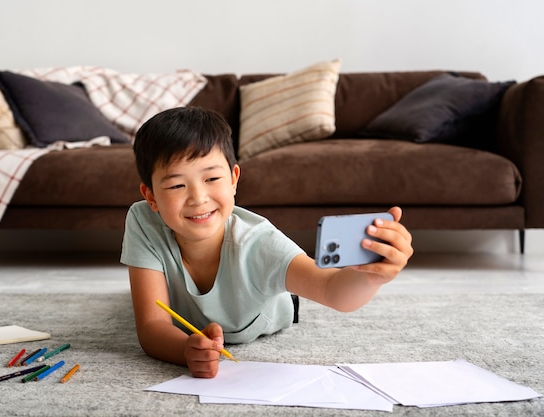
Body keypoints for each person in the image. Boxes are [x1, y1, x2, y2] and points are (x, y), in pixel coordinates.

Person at [121, 107, 413, 378]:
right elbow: (152, 325)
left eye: (212, 179)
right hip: (194, 316)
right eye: (176, 185)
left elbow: (333, 291)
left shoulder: (259, 243)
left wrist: (372, 275)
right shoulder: (143, 219)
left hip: (261, 310)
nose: (198, 198)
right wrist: (185, 350)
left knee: (290, 280)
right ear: (151, 197)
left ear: (234, 179)